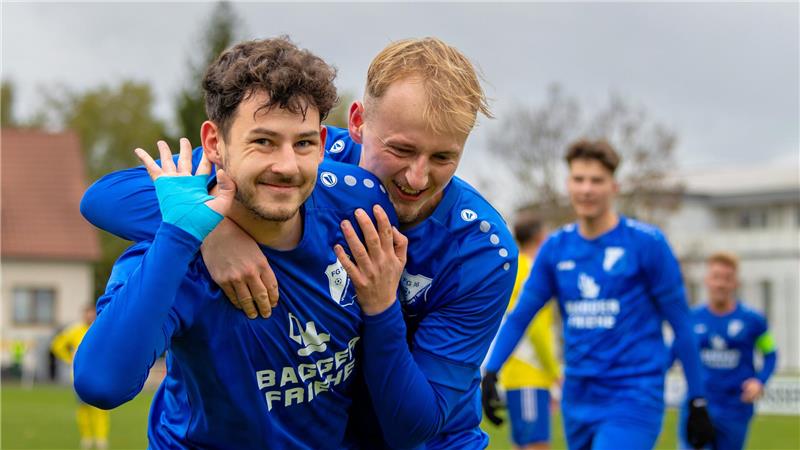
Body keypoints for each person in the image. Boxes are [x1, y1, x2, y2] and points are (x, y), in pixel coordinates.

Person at [80, 37, 518, 449]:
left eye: (443, 157)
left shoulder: (478, 250)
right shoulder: (299, 166)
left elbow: (414, 428)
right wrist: (211, 230)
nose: (417, 177)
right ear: (357, 124)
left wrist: (382, 306)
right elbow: (108, 197)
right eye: (401, 150)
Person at [483, 139, 714, 450]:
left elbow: (682, 324)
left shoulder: (647, 244)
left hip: (633, 394)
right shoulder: (556, 248)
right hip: (578, 396)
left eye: (596, 180)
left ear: (614, 186)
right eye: (579, 180)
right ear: (568, 184)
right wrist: (491, 370)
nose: (587, 189)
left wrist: (697, 397)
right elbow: (521, 314)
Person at [673, 251, 777, 450]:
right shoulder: (691, 318)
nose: (720, 284)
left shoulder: (754, 321)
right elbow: (672, 353)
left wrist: (759, 381)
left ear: (736, 283)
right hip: (698, 404)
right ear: (707, 280)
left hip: (735, 408)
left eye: (727, 279)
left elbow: (770, 354)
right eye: (716, 277)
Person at [483, 214, 561, 450]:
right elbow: (535, 329)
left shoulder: (515, 267)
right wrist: (554, 372)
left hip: (516, 372)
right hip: (530, 373)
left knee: (523, 444)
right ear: (539, 236)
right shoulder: (531, 271)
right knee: (536, 445)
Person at [51, 304, 109, 450]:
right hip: (79, 377)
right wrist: (69, 358)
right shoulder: (75, 330)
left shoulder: (101, 328)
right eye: (87, 313)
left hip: (99, 376)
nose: (90, 316)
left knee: (101, 409)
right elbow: (57, 345)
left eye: (92, 314)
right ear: (84, 315)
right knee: (83, 409)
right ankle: (87, 438)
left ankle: (101, 439)